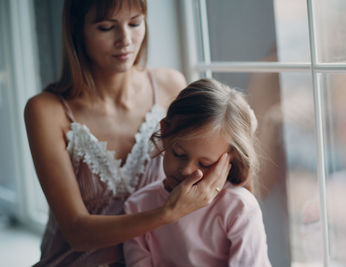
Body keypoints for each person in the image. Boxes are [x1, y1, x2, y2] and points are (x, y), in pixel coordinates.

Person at [24, 0, 228, 266]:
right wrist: (167, 213)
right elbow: (76, 232)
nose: (126, 40)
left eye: (135, 23)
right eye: (107, 27)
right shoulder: (46, 110)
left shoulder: (170, 86)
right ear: (77, 30)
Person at [123, 78, 272, 267]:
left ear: (229, 159)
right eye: (179, 154)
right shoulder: (138, 207)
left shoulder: (238, 208)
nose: (186, 170)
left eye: (204, 163)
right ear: (165, 132)